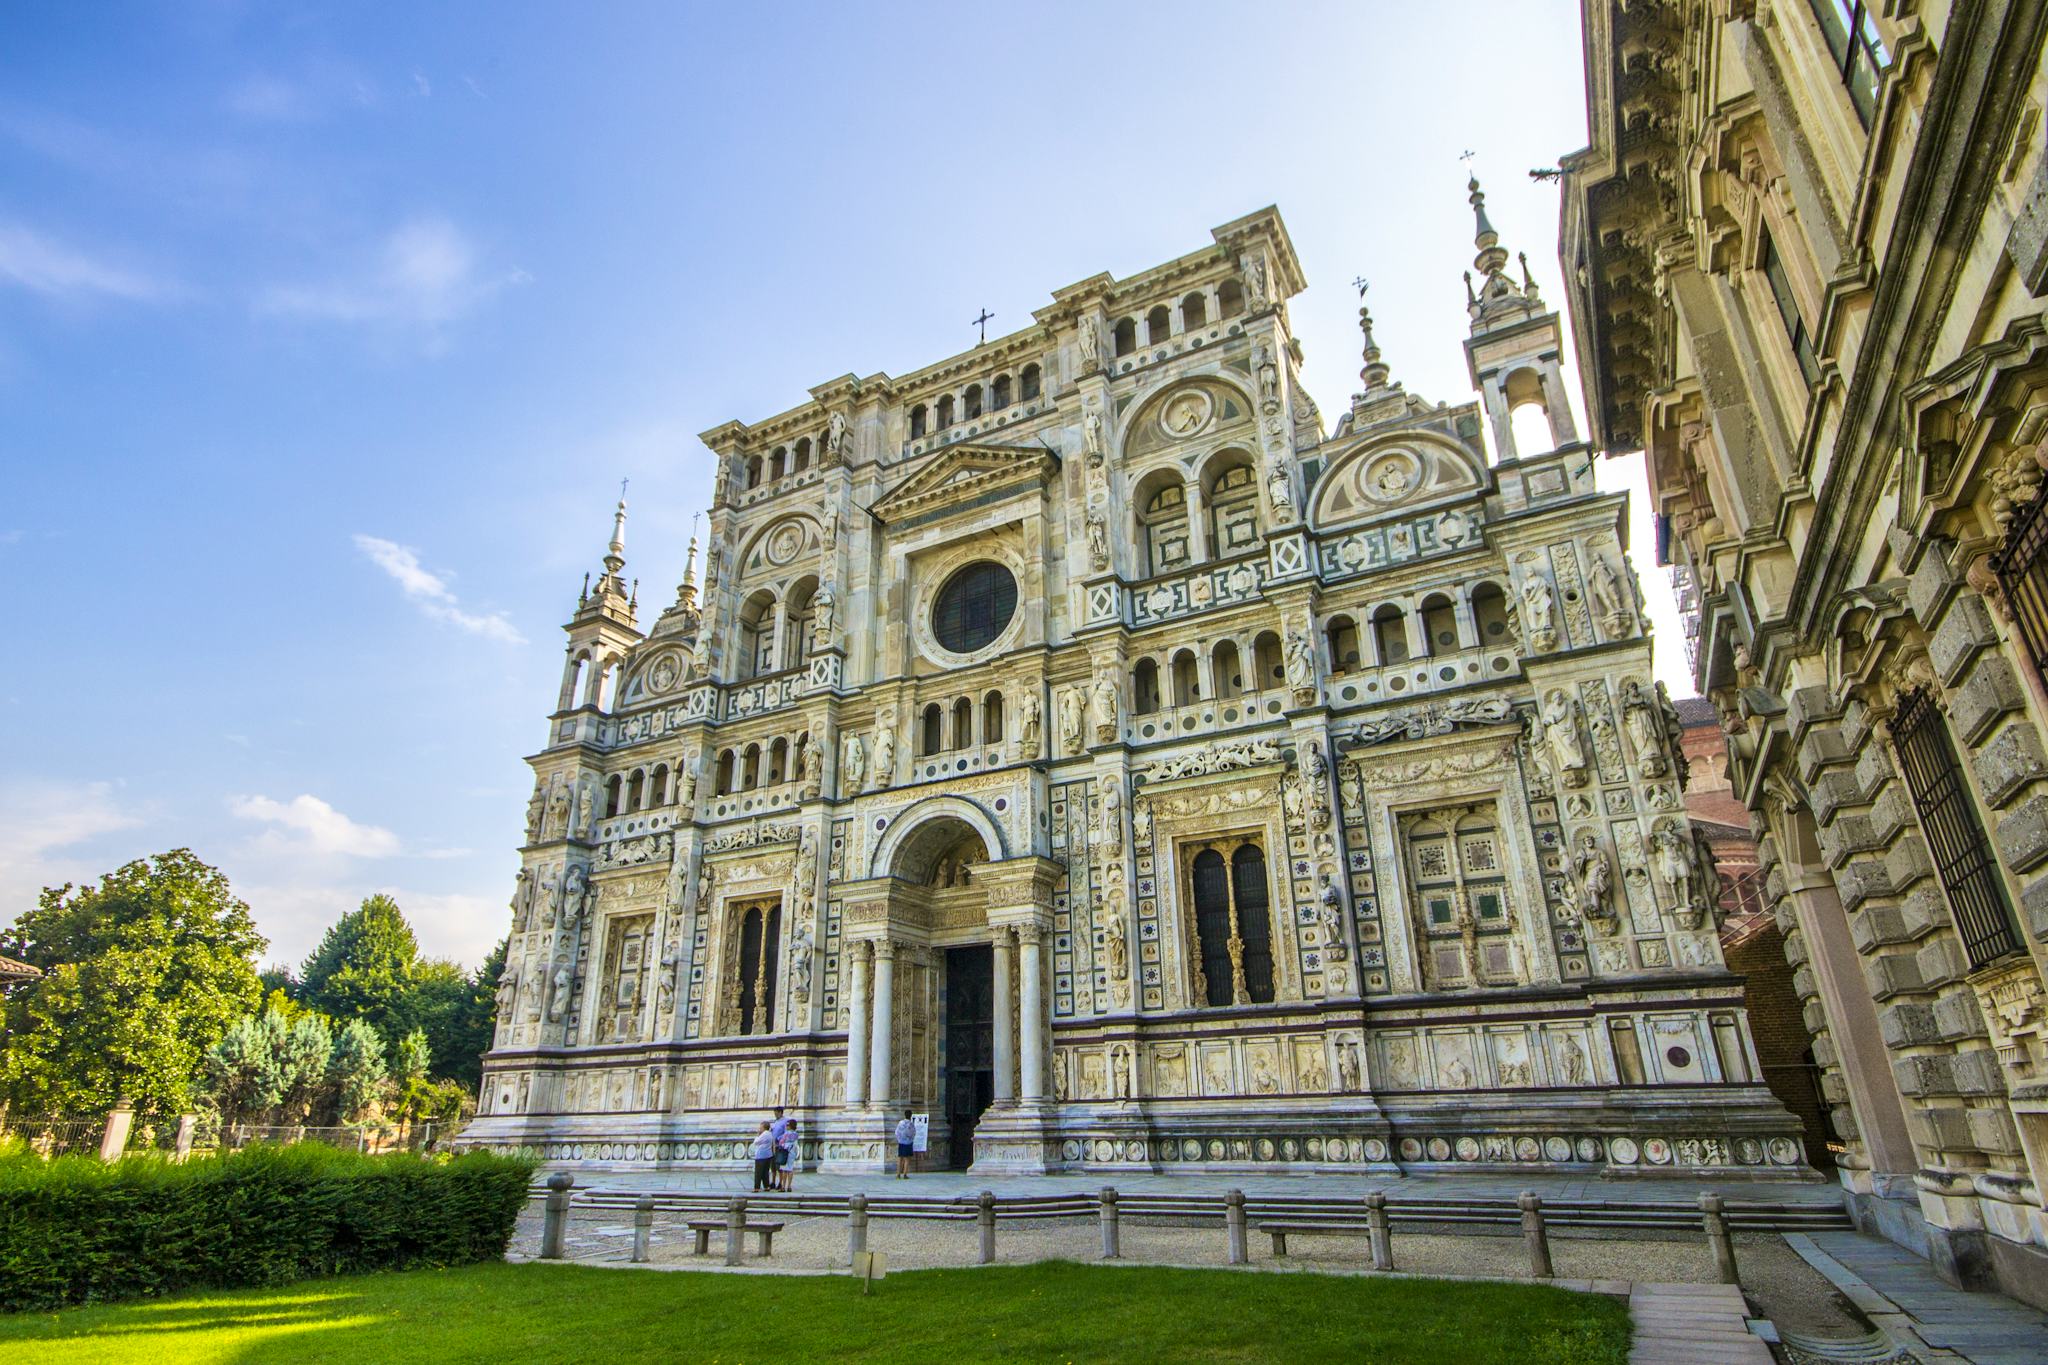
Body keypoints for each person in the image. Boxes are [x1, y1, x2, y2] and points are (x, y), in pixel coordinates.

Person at [749, 1120, 776, 1192]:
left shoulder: (764, 1134)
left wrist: (758, 1135)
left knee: (758, 1172)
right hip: (768, 1155)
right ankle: (766, 1186)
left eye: (760, 1127)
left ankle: (756, 1187)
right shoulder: (770, 1134)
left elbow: (756, 1142)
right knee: (765, 1172)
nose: (759, 1129)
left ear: (764, 1127)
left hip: (761, 1155)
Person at [777, 1118, 799, 1192]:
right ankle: (789, 1186)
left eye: (787, 1125)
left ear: (790, 1126)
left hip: (785, 1152)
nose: (786, 1126)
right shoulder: (796, 1134)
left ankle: (783, 1186)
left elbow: (781, 1142)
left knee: (784, 1170)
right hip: (792, 1152)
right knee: (790, 1169)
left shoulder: (786, 1134)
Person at [893, 1109, 916, 1179]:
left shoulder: (901, 1123)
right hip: (908, 1143)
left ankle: (898, 1174)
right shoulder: (911, 1124)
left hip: (901, 1142)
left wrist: (899, 1139)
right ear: (911, 1116)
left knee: (900, 1158)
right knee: (907, 1159)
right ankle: (905, 1174)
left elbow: (896, 1132)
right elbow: (913, 1133)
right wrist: (910, 1139)